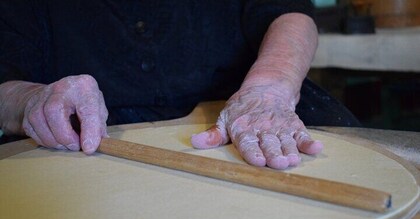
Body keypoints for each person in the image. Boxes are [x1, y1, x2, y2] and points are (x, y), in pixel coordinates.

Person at [0, 0, 360, 169]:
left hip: (241, 109)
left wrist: (269, 88)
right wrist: (32, 99)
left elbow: (291, 14)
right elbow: (5, 88)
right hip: (89, 136)